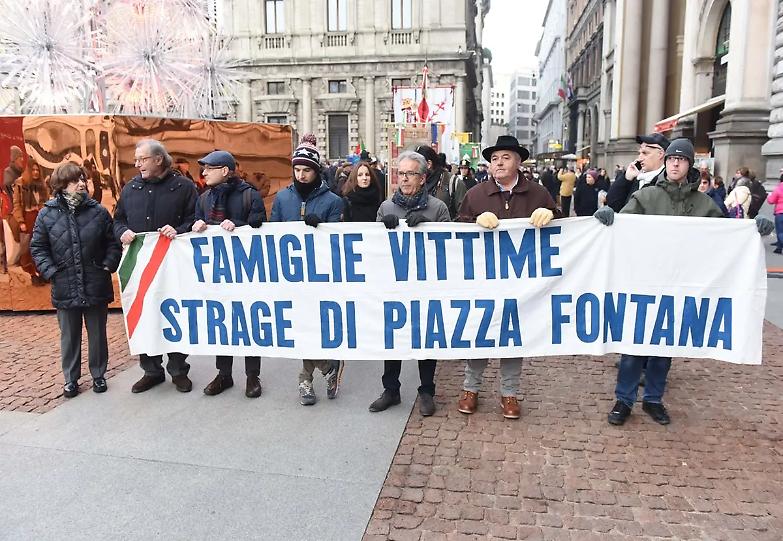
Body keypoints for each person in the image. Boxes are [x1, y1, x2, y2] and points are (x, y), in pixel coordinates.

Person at [593, 138, 774, 425]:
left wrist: (755, 228)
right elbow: (623, 229)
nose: (675, 163)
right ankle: (623, 400)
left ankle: (653, 400)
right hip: (643, 281)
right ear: (665, 163)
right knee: (634, 346)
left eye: (682, 159)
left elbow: (727, 236)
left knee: (665, 347)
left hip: (680, 285)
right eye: (671, 158)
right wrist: (608, 218)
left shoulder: (704, 204)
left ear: (690, 165)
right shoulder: (646, 197)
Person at [456, 135, 560, 420]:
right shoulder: (476, 195)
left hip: (521, 281)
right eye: (494, 159)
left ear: (518, 162)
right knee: (481, 332)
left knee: (515, 334)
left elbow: (563, 227)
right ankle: (470, 388)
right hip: (485, 279)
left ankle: (509, 392)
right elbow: (457, 232)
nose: (498, 163)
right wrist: (471, 223)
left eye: (505, 157)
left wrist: (550, 213)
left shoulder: (538, 194)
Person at [369, 150, 450, 417]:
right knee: (392, 338)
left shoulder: (437, 208)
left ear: (422, 177)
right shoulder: (386, 207)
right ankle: (390, 389)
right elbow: (374, 250)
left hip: (425, 284)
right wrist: (384, 229)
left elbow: (450, 249)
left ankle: (426, 390)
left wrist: (429, 228)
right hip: (395, 284)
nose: (404, 179)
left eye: (410, 174)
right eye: (400, 173)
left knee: (425, 338)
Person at [114, 139, 198, 394]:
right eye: (136, 159)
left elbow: (195, 219)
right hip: (141, 266)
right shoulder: (130, 189)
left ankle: (178, 370)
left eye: (143, 159)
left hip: (173, 266)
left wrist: (179, 230)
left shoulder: (184, 187)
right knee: (144, 313)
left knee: (173, 312)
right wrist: (123, 232)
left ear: (159, 159)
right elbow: (118, 220)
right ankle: (151, 370)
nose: (137, 164)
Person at [30, 162, 121, 398]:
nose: (81, 183)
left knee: (97, 333)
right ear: (61, 185)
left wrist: (107, 265)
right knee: (69, 336)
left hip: (95, 281)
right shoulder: (47, 213)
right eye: (74, 180)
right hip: (64, 283)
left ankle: (98, 375)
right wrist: (51, 272)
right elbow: (38, 247)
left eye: (82, 179)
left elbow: (112, 243)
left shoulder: (98, 211)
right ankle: (71, 379)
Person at [270, 134, 345, 406]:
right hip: (291, 273)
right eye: (297, 169)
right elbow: (273, 233)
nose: (301, 175)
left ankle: (306, 379)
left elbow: (338, 242)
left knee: (313, 326)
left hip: (321, 275)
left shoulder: (333, 202)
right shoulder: (282, 198)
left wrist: (323, 227)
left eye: (307, 170)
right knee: (299, 326)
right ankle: (324, 368)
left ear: (317, 171)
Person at [191, 150, 266, 398]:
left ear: (224, 171)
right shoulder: (203, 199)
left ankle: (252, 376)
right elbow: (196, 224)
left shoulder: (249, 195)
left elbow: (260, 228)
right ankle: (224, 374)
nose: (203, 173)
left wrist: (239, 226)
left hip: (246, 272)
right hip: (217, 273)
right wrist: (197, 227)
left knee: (248, 322)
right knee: (221, 323)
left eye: (209, 169)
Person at [606, 133, 670, 212]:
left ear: (660, 154)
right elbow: (613, 204)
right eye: (639, 153)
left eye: (645, 153)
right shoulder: (636, 178)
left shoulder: (667, 180)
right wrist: (626, 178)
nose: (640, 158)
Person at [12, 161, 49, 285]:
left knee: (43, 246)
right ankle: (33, 274)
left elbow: (46, 202)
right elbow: (16, 204)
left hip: (41, 218)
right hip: (28, 218)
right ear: (28, 171)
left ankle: (43, 272)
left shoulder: (42, 185)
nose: (35, 172)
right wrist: (21, 221)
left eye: (37, 170)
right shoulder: (20, 184)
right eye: (33, 170)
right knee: (28, 249)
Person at [415, 145, 451, 209]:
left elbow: (462, 214)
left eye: (417, 165)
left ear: (429, 164)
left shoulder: (450, 181)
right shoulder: (415, 180)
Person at [768, 175, 783, 254]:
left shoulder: (778, 189)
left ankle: (780, 247)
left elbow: (771, 201)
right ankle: (779, 248)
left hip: (780, 213)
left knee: (780, 231)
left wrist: (769, 196)